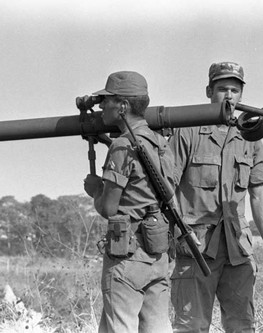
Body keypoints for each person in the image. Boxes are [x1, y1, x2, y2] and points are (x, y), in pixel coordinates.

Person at [169, 61, 263, 333]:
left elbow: (258, 193)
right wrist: (179, 232)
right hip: (196, 247)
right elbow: (166, 187)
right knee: (191, 326)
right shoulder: (187, 131)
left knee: (242, 325)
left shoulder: (251, 137)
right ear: (209, 91)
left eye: (235, 90)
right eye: (222, 89)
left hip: (238, 249)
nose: (229, 96)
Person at [83, 71, 174, 333]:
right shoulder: (159, 143)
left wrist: (96, 190)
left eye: (107, 101)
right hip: (157, 255)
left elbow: (109, 208)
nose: (101, 107)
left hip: (128, 257)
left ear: (122, 106)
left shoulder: (122, 146)